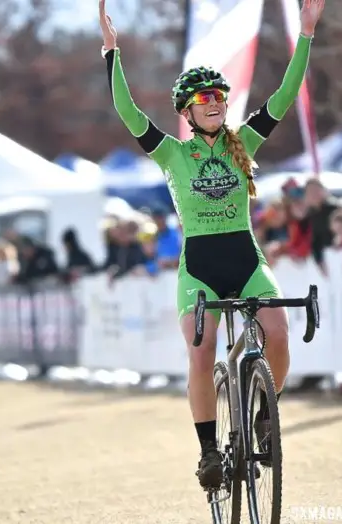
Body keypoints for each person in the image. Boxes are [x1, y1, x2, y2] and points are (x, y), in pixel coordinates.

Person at [98, 0, 325, 489]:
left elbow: (285, 97)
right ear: (187, 111)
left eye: (219, 93)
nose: (215, 100)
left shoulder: (244, 141)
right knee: (201, 356)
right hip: (199, 268)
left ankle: (265, 413)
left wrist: (305, 34)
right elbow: (127, 111)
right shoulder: (171, 153)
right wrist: (111, 53)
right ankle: (207, 453)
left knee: (279, 338)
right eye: (204, 97)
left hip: (245, 260)